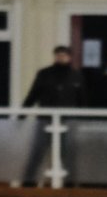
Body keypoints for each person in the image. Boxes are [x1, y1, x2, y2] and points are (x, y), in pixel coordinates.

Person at [21, 46, 86, 186]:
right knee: (38, 149)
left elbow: (82, 99)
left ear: (69, 57)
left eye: (64, 55)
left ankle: (70, 182)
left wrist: (83, 119)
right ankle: (28, 181)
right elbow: (34, 94)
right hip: (46, 119)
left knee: (68, 151)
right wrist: (23, 113)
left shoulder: (77, 76)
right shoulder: (44, 74)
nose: (61, 58)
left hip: (68, 120)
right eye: (59, 55)